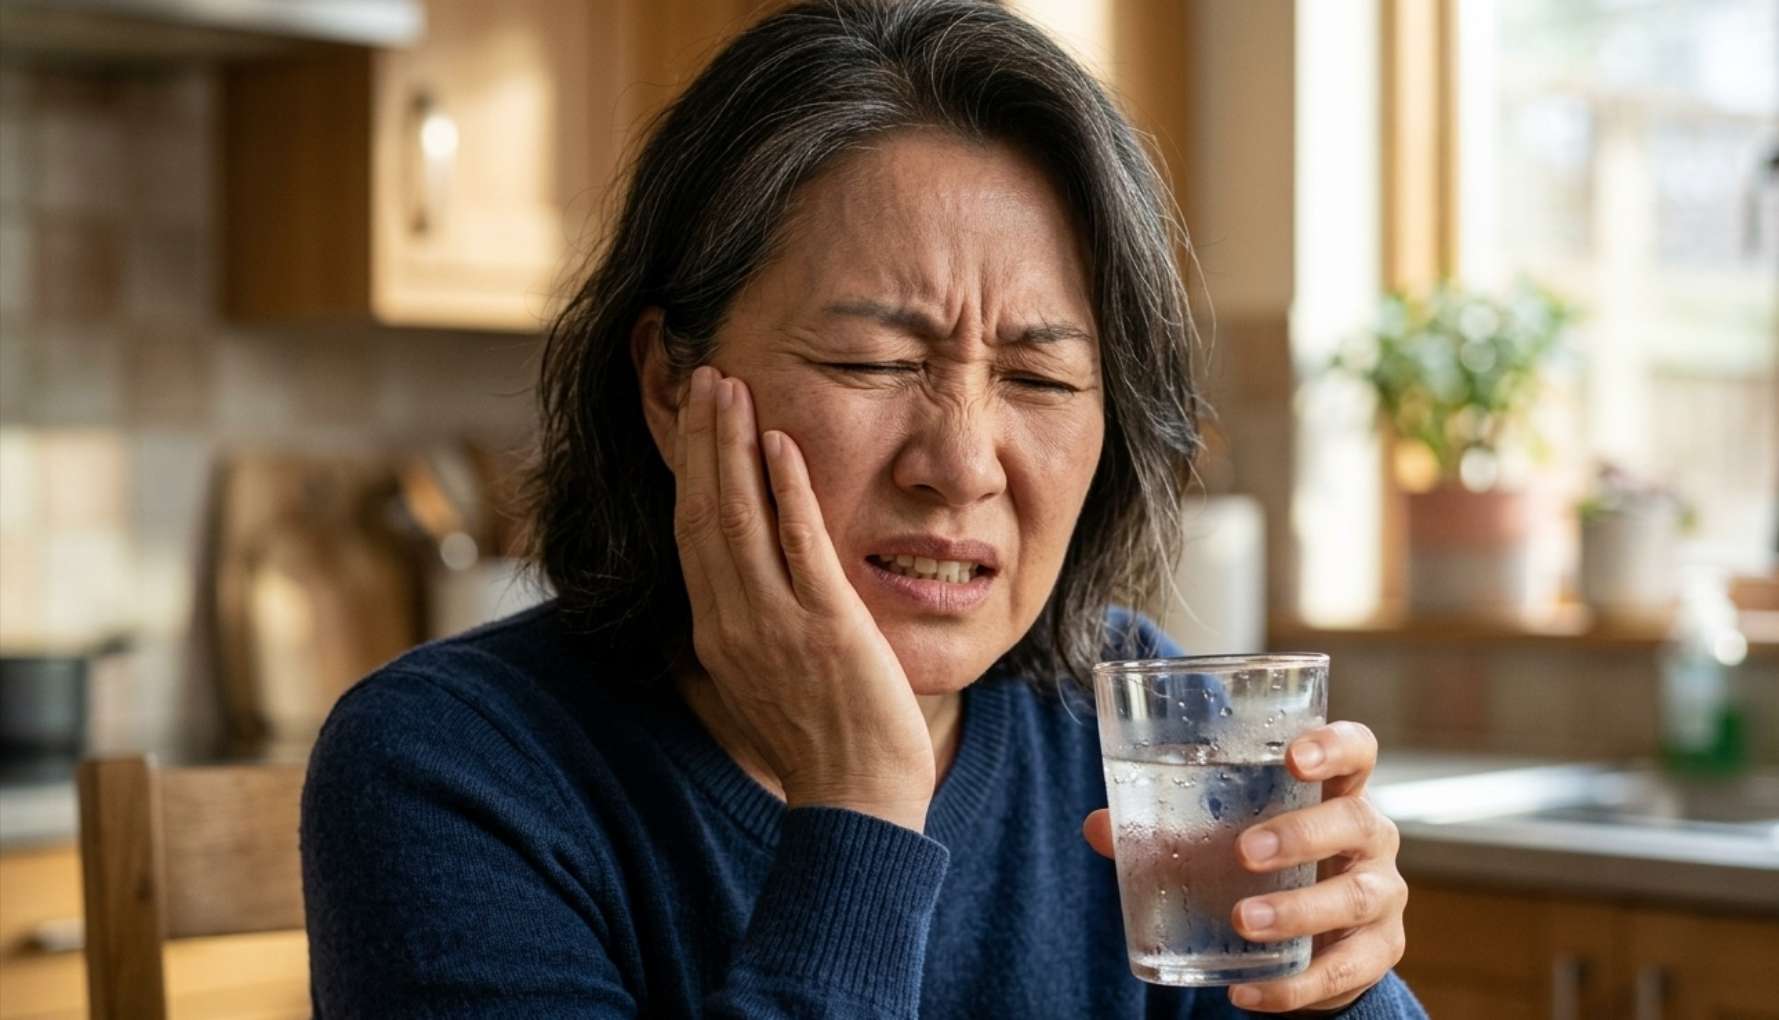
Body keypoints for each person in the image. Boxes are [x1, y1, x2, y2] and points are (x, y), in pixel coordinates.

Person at [300, 1, 1425, 1016]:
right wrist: (862, 811)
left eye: (1039, 379)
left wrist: (1338, 993)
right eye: (872, 363)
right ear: (669, 386)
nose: (962, 465)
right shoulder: (450, 766)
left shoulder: (1134, 732)